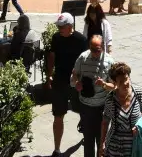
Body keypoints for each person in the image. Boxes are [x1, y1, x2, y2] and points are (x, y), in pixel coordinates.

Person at [46, 13, 88, 157]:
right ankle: (57, 149)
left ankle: (85, 128)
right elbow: (52, 56)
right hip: (59, 81)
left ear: (70, 26)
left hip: (76, 83)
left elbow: (86, 61)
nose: (59, 29)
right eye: (58, 26)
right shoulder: (56, 38)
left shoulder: (81, 40)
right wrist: (49, 75)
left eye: (61, 27)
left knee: (82, 111)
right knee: (58, 116)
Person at [71, 35, 114, 157]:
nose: (95, 53)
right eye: (92, 49)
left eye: (98, 50)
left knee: (102, 141)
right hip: (85, 107)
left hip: (102, 108)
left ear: (103, 48)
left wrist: (104, 84)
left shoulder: (110, 62)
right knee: (88, 140)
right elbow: (74, 74)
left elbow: (115, 86)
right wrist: (77, 83)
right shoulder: (83, 58)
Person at [99, 62, 142, 157]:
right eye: (121, 82)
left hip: (135, 143)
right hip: (115, 146)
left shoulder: (137, 93)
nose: (125, 83)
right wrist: (102, 143)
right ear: (115, 83)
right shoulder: (111, 99)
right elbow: (105, 122)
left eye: (126, 79)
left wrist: (141, 125)